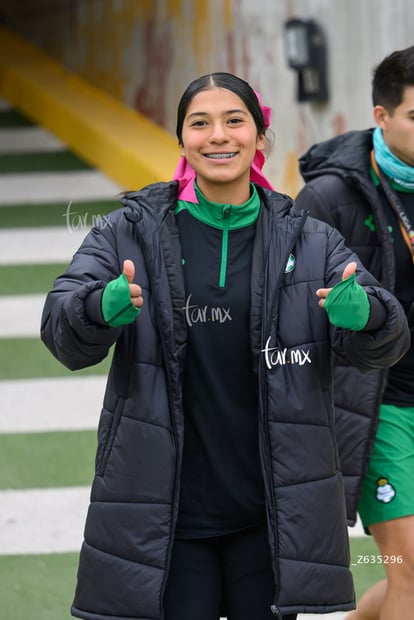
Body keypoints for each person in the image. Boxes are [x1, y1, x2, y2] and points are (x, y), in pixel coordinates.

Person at [40, 72, 409, 620]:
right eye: (200, 123)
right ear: (183, 139)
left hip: (270, 513)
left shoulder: (309, 238)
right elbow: (61, 326)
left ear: (260, 137)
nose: (219, 135)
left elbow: (387, 337)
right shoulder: (129, 231)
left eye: (235, 121)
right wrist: (98, 308)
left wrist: (368, 315)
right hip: (167, 514)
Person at [295, 46, 414, 620]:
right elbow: (286, 308)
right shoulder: (330, 195)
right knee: (410, 572)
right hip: (378, 405)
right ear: (382, 116)